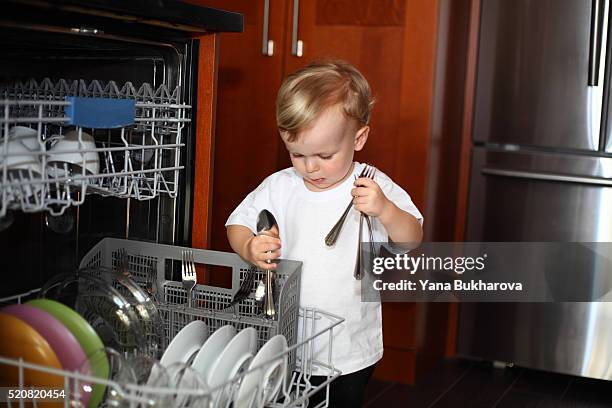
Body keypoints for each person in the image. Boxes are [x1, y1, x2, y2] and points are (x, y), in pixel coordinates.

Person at [226, 59, 423, 407]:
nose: (310, 166)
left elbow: (412, 238)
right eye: (297, 153)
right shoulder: (281, 185)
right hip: (283, 340)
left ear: (359, 138)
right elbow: (237, 223)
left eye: (324, 155)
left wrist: (386, 211)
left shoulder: (373, 186)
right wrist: (249, 247)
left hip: (348, 348)